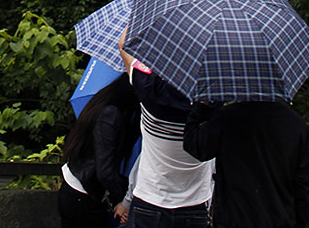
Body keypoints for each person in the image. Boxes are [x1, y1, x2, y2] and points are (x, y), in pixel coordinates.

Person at [118, 22, 214, 228]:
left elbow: (124, 46)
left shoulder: (150, 88)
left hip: (149, 201)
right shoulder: (212, 98)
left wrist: (146, 1)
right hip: (195, 206)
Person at [183, 99, 309, 228]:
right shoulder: (296, 124)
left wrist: (201, 107)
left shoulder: (228, 117)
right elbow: (303, 185)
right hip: (280, 218)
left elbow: (194, 145)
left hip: (234, 218)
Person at [58, 72, 141, 228]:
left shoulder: (111, 109)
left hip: (79, 192)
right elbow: (104, 170)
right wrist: (122, 200)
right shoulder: (110, 114)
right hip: (82, 194)